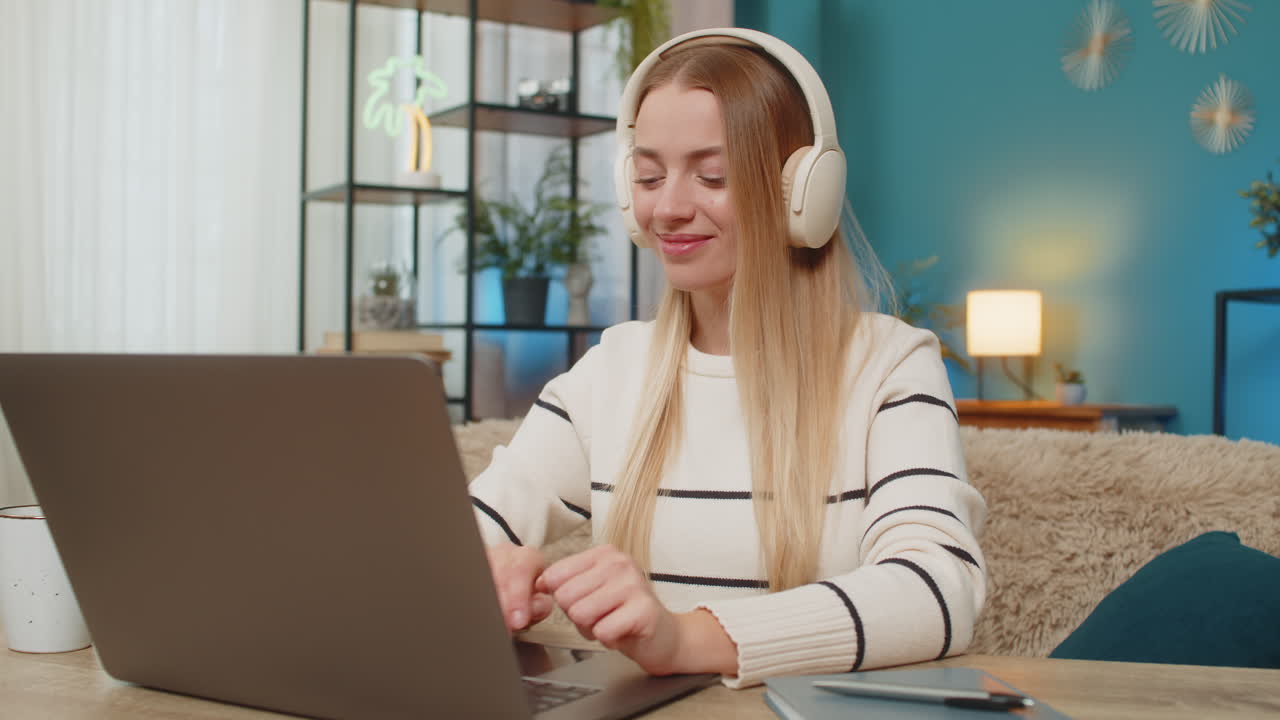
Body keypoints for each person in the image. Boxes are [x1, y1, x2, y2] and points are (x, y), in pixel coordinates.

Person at [467, 27, 987, 688]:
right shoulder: (611, 372)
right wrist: (484, 569)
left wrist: (683, 638)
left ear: (804, 190)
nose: (669, 209)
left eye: (713, 176)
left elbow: (936, 592)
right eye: (649, 176)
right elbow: (453, 539)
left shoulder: (889, 366)